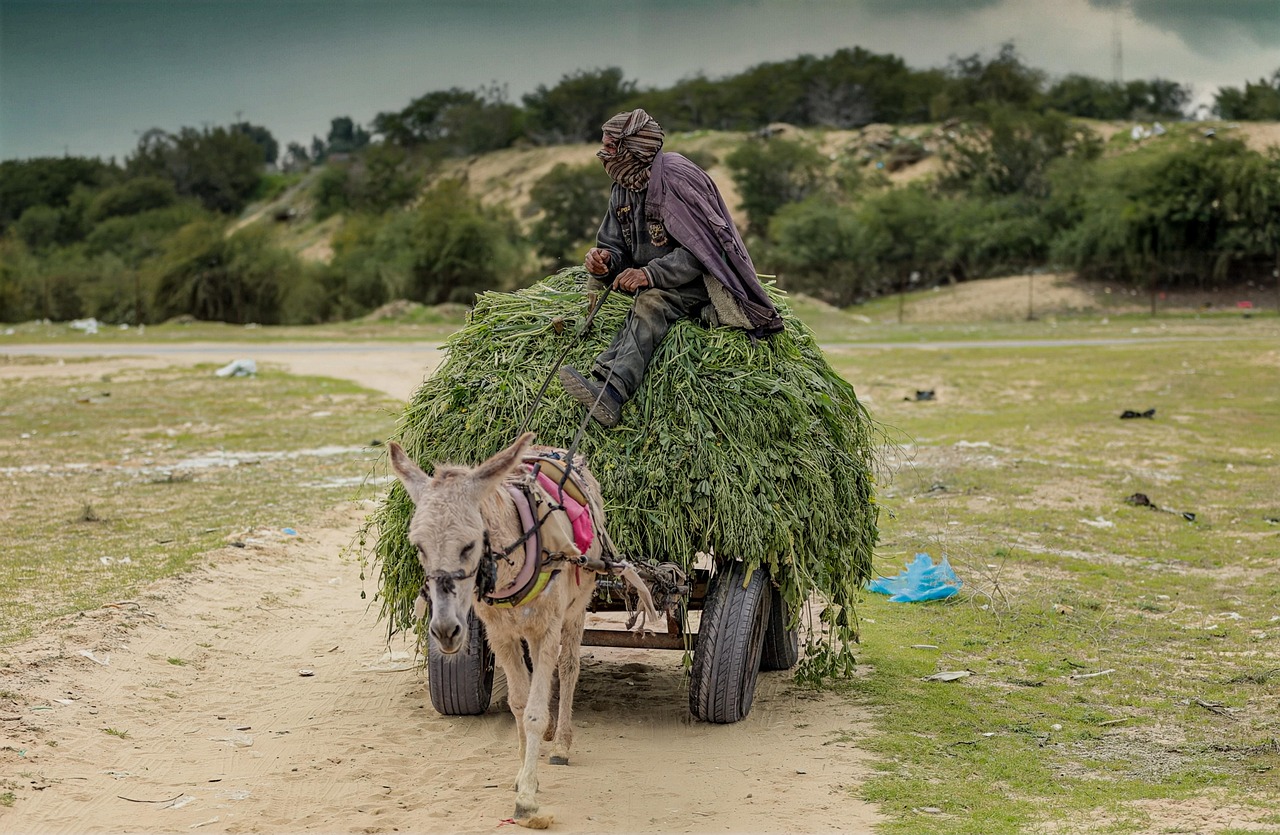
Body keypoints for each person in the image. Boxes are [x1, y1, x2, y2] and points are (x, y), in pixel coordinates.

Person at [558, 108, 784, 427]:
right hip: (652, 279)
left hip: (698, 281)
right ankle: (601, 380)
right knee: (642, 298)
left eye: (610, 147)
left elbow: (702, 250)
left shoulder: (678, 178)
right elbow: (614, 245)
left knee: (651, 302)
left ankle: (611, 393)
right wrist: (604, 262)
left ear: (632, 149)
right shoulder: (623, 184)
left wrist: (650, 275)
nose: (602, 154)